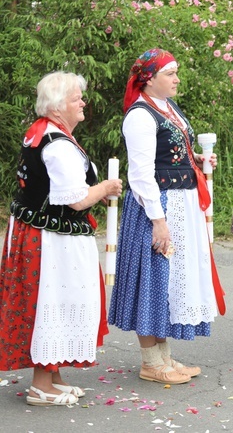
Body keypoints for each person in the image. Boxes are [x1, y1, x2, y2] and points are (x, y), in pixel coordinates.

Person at [0, 71, 122, 406]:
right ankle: (41, 385)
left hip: (40, 232)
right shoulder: (57, 144)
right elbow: (77, 198)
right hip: (50, 239)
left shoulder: (42, 132)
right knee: (51, 302)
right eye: (75, 98)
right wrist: (107, 188)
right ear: (57, 107)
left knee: (59, 302)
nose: (83, 102)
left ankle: (53, 376)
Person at [108, 49, 222, 385]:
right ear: (149, 78)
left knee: (169, 281)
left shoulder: (167, 108)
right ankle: (150, 362)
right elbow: (141, 174)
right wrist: (159, 220)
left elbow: (169, 151)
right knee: (153, 280)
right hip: (156, 207)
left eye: (176, 72)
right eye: (170, 73)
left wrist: (195, 158)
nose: (176, 79)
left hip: (180, 203)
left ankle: (164, 358)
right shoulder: (140, 116)